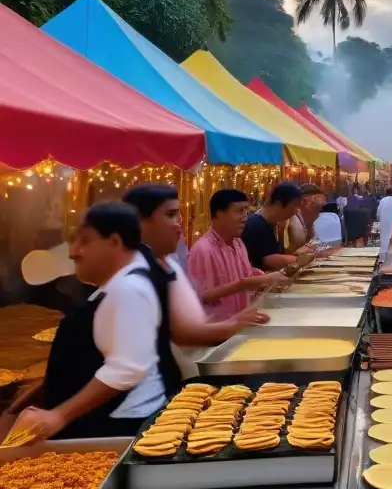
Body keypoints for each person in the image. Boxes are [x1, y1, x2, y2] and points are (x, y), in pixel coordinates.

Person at [5, 203, 178, 440]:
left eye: (85, 241)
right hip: (153, 428)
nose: (72, 252)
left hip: (107, 446)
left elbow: (123, 369)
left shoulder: (93, 317)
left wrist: (57, 415)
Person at [123, 185, 271, 378]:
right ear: (140, 223)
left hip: (209, 348)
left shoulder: (169, 262)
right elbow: (181, 330)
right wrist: (232, 323)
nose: (179, 223)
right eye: (170, 214)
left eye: (179, 214)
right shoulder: (137, 274)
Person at [189, 189, 289, 322]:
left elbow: (245, 274)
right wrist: (246, 283)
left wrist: (263, 279)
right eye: (239, 211)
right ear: (218, 214)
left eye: (246, 211)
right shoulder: (203, 249)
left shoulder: (238, 243)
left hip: (240, 323)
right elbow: (203, 296)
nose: (245, 217)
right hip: (216, 333)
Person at [241, 183, 311, 270]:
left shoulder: (271, 224)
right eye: (294, 206)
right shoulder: (256, 224)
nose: (296, 211)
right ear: (278, 204)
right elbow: (269, 260)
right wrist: (303, 259)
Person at [285, 184, 324, 253]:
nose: (321, 205)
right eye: (316, 201)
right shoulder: (294, 221)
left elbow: (311, 244)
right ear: (304, 202)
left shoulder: (307, 219)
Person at [377, 188, 392, 257]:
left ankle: (383, 255)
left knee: (384, 237)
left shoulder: (383, 200)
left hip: (384, 221)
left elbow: (378, 212)